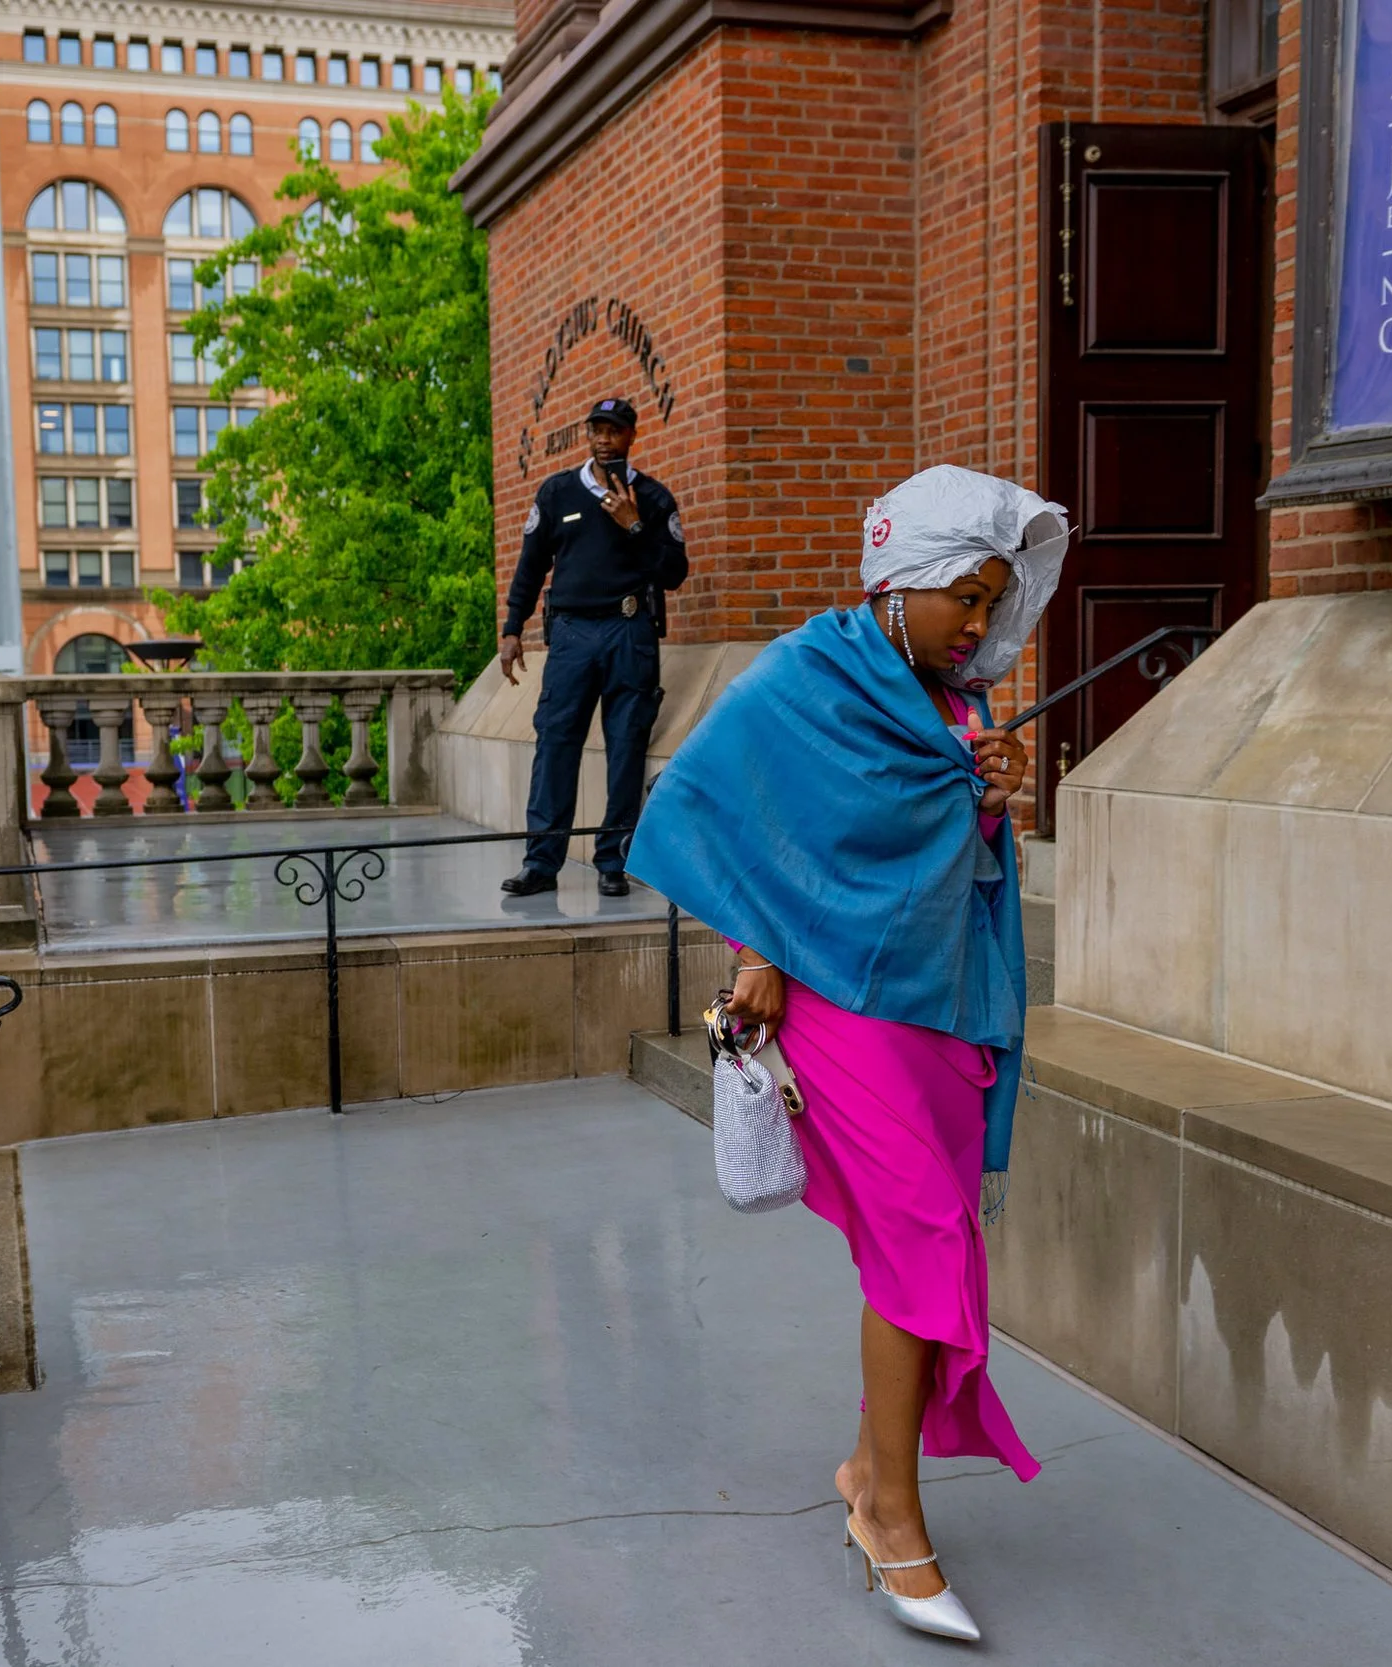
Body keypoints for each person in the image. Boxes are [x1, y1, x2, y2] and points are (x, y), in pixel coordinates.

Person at [627, 465, 1069, 1645]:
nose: (980, 624)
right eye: (964, 598)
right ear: (906, 579)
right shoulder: (802, 673)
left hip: (939, 995)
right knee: (920, 1228)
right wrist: (752, 944)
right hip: (832, 995)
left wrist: (993, 795)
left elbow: (941, 848)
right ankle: (892, 1516)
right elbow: (729, 801)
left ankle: (870, 1472)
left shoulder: (955, 698)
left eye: (992, 602)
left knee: (924, 1240)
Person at [498, 397, 689, 898]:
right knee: (555, 743)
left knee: (626, 749)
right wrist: (513, 627)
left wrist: (634, 524)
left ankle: (613, 860)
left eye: (615, 430)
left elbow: (673, 573)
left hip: (629, 633)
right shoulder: (558, 492)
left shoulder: (653, 497)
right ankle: (541, 863)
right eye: (597, 430)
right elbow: (530, 565)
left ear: (631, 436)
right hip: (572, 636)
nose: (604, 438)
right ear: (589, 435)